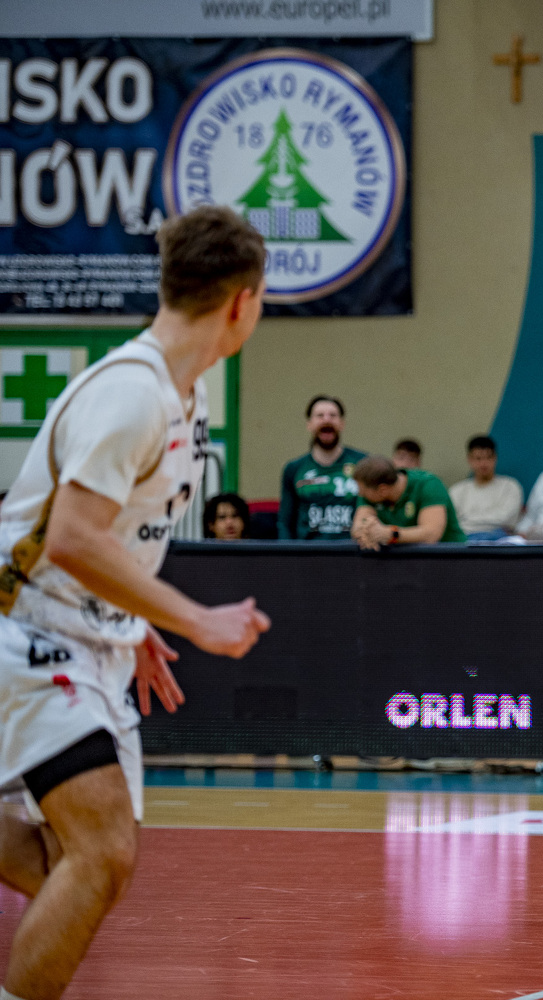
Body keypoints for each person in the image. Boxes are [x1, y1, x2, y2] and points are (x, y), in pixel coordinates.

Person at [0, 206, 271, 999]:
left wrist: (132, 617)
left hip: (87, 634)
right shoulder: (131, 395)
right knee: (103, 853)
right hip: (29, 629)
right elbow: (72, 540)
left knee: (73, 866)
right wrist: (195, 618)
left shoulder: (187, 395)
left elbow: (115, 537)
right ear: (242, 302)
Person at [278, 396, 366, 540]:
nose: (326, 420)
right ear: (309, 424)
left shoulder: (363, 463)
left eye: (333, 415)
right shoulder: (294, 468)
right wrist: (286, 551)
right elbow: (285, 522)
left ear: (342, 424)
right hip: (308, 550)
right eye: (320, 415)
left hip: (351, 549)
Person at [350, 455, 467, 549]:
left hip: (449, 558)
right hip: (404, 562)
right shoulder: (370, 494)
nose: (360, 494)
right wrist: (366, 532)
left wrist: (390, 534)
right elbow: (358, 526)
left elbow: (431, 535)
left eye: (362, 490)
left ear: (382, 490)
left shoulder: (429, 485)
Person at [448, 435, 523, 539]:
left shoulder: (510, 486)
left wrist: (465, 519)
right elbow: (451, 524)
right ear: (469, 460)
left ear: (495, 458)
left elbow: (507, 519)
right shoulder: (457, 491)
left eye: (488, 458)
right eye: (478, 458)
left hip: (500, 540)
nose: (483, 463)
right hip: (465, 539)